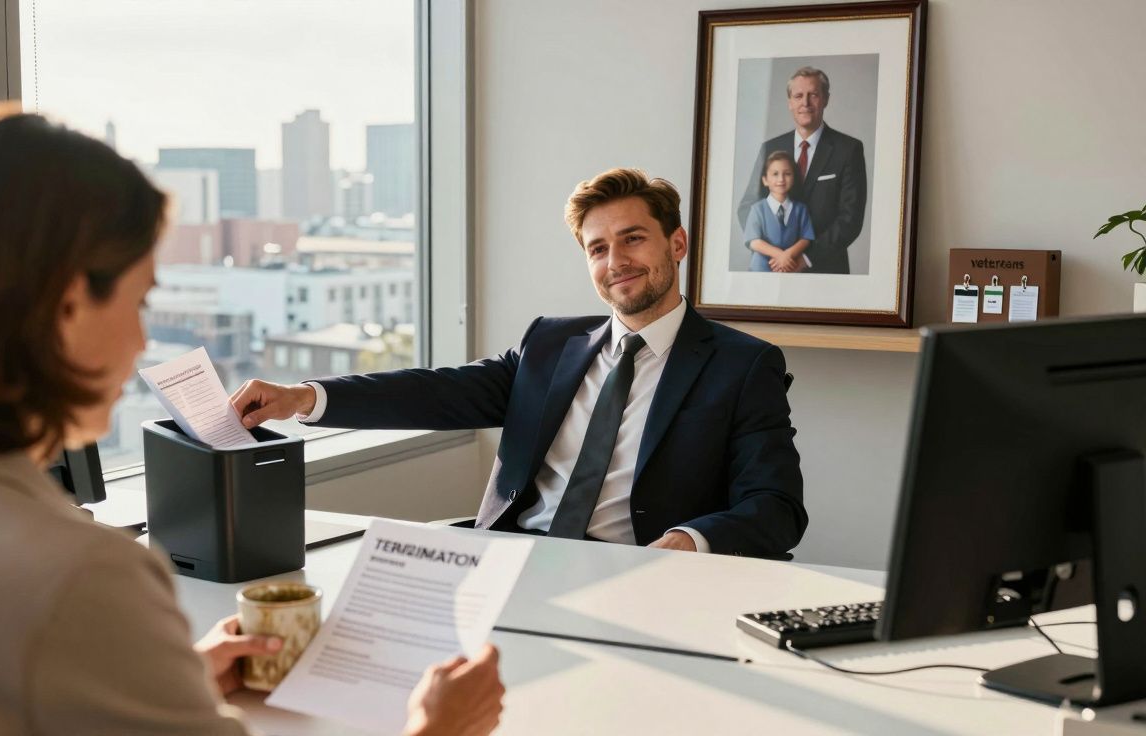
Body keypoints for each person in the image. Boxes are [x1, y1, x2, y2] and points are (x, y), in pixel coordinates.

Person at [0, 106, 503, 735]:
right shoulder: (80, 576)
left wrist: (156, 684)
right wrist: (436, 728)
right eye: (139, 300)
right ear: (68, 306)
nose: (140, 339)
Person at [234, 168, 806, 558]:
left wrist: (689, 540)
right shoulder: (551, 344)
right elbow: (434, 392)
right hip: (511, 560)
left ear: (676, 244)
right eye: (598, 248)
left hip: (636, 574)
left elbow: (776, 507)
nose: (616, 262)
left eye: (634, 239)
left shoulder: (742, 365)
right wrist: (302, 398)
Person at [736, 66, 867, 275]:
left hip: (826, 271)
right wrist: (774, 253)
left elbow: (850, 219)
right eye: (798, 96)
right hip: (771, 269)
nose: (805, 103)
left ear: (825, 99)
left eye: (813, 95)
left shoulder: (848, 149)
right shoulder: (769, 147)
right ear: (790, 102)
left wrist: (806, 258)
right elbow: (747, 206)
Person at [742, 151, 814, 273]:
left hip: (790, 267)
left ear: (794, 178)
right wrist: (779, 255)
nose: (781, 179)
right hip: (760, 270)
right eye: (775, 174)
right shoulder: (757, 209)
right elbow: (754, 241)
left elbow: (806, 238)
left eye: (787, 174)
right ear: (765, 180)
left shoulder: (800, 209)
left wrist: (787, 255)